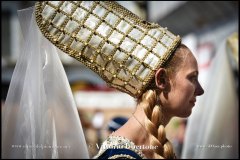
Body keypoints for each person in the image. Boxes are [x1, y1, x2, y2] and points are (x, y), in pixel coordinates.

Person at [2, 1, 204, 159]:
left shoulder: (155, 147)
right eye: (192, 78)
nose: (200, 90)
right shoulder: (118, 157)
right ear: (161, 80)